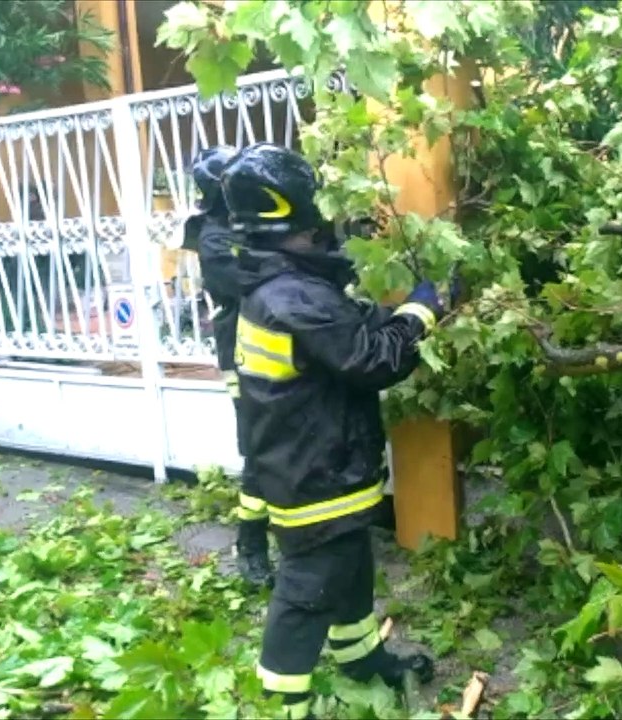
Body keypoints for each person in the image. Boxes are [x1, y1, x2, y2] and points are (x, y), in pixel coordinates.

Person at [220, 142, 439, 719]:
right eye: (313, 221)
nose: (323, 231)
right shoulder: (293, 297)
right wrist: (422, 310)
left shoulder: (282, 282)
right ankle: (279, 702)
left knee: (348, 572)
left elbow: (344, 327)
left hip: (314, 461)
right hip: (316, 474)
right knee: (308, 590)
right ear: (292, 217)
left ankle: (362, 659)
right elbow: (373, 361)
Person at [182, 145, 275, 589]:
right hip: (242, 353)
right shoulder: (215, 239)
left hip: (276, 346)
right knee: (259, 449)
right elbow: (247, 284)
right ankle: (251, 543)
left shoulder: (253, 224)